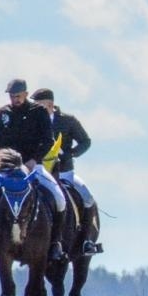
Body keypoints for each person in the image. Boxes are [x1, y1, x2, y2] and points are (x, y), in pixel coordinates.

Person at [0, 79, 65, 262]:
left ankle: (55, 243)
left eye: (18, 96)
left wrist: (34, 160)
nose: (15, 99)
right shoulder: (3, 113)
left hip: (33, 165)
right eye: (12, 96)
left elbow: (48, 140)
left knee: (58, 197)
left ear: (26, 94)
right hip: (7, 170)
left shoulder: (39, 112)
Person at [31, 88, 98, 258]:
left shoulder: (67, 121)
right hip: (39, 173)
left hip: (65, 173)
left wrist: (71, 153)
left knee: (87, 197)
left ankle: (87, 240)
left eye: (39, 105)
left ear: (50, 105)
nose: (35, 109)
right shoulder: (32, 122)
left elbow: (86, 141)